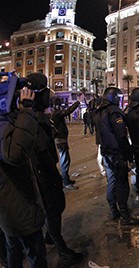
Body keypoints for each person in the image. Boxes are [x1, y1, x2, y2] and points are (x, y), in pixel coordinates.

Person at [24, 73, 84, 266]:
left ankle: (51, 236)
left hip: (47, 170)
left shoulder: (40, 117)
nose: (49, 97)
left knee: (56, 206)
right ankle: (60, 248)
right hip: (42, 174)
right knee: (52, 208)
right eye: (45, 93)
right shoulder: (31, 119)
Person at [0, 75, 47, 267]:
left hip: (13, 207)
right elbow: (15, 154)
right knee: (34, 254)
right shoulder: (2, 123)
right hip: (17, 208)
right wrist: (26, 111)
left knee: (14, 250)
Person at [93, 87, 139, 225]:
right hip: (116, 153)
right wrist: (128, 155)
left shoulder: (98, 111)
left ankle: (113, 210)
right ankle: (125, 216)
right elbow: (121, 136)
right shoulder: (114, 112)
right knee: (122, 185)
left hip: (106, 152)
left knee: (112, 182)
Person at [51, 97, 80, 189]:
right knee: (65, 161)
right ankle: (66, 183)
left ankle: (66, 179)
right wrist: (78, 101)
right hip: (60, 140)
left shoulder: (55, 113)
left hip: (61, 139)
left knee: (66, 160)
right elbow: (68, 111)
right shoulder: (56, 113)